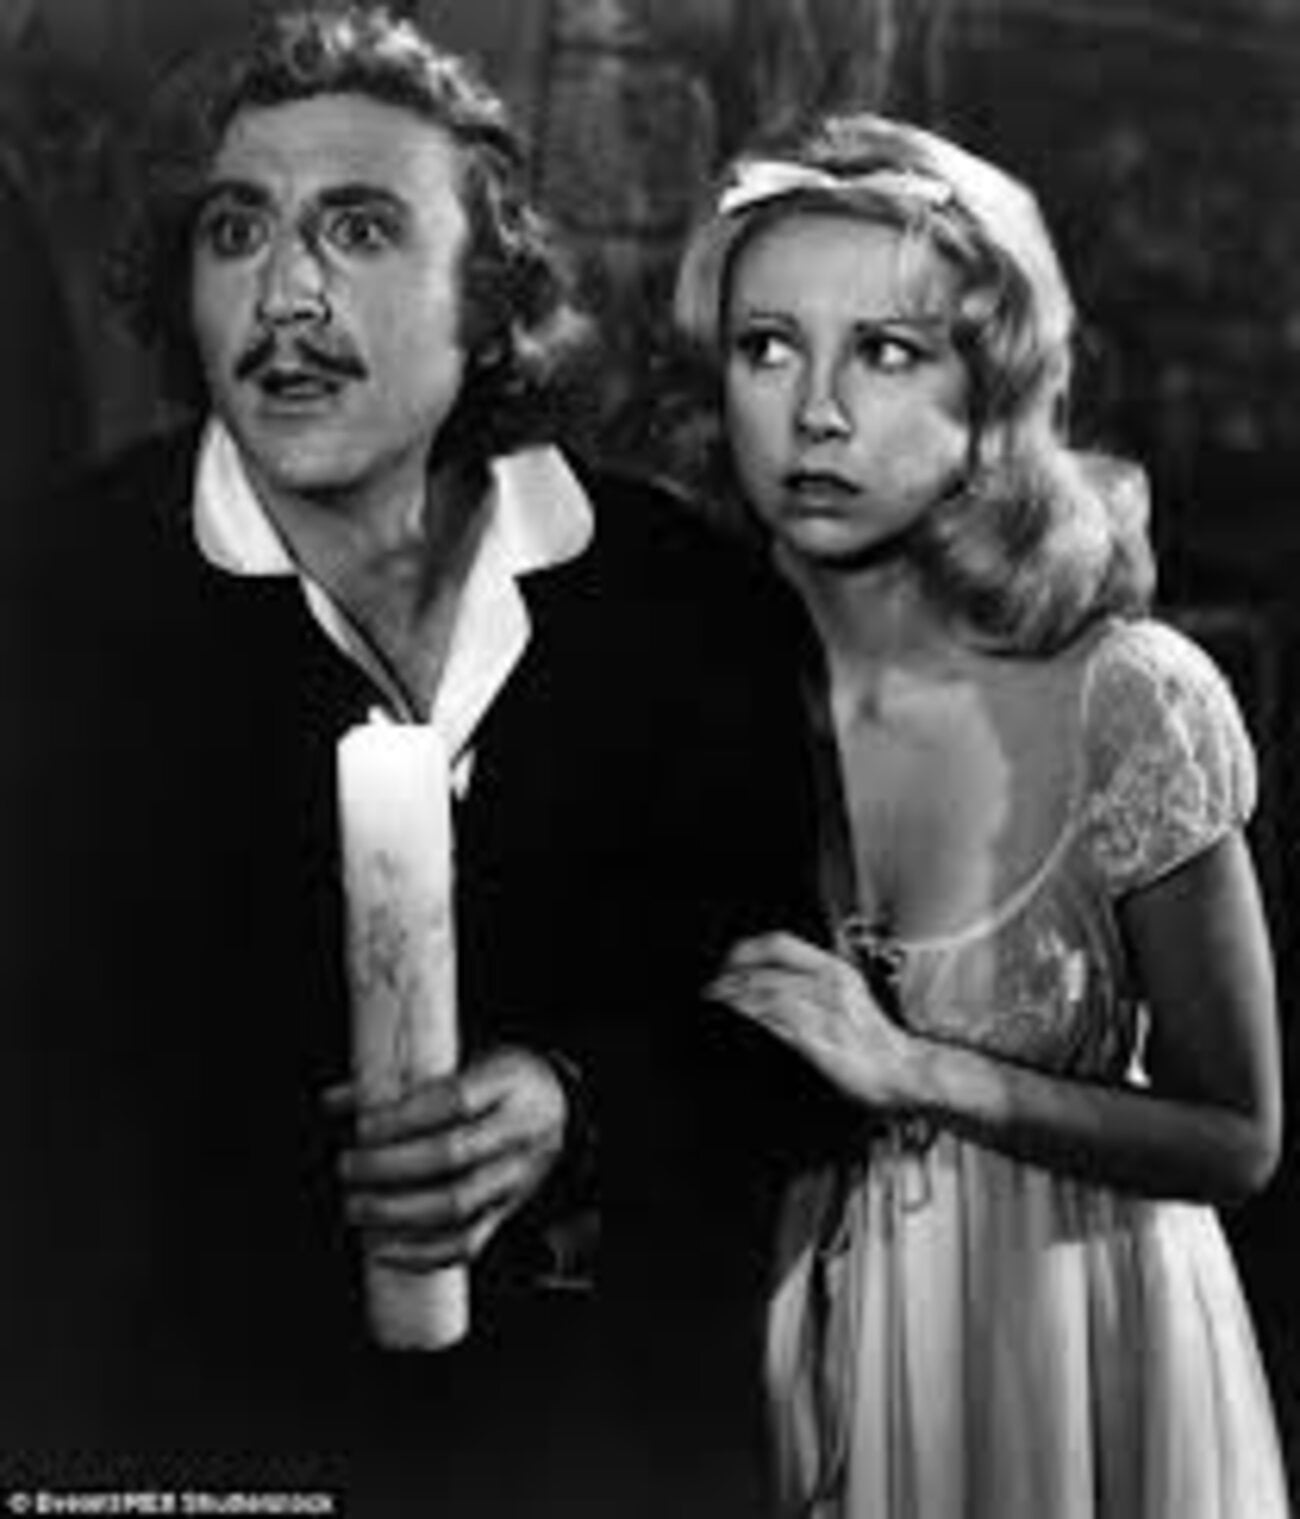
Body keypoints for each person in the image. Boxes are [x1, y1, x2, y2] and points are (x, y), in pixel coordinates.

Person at [0, 8, 833, 1515]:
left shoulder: (684, 602)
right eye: (236, 232)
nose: (285, 295)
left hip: (605, 1454)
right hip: (203, 1454)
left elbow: (805, 1045)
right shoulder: (55, 608)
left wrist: (579, 1104)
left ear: (490, 296)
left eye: (360, 229)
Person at [674, 111, 1292, 1516]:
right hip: (759, 1360)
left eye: (887, 353)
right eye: (767, 348)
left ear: (994, 392)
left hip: (1061, 1354)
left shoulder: (1123, 696)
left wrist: (919, 1072)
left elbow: (1238, 1137)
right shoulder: (689, 688)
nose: (816, 412)